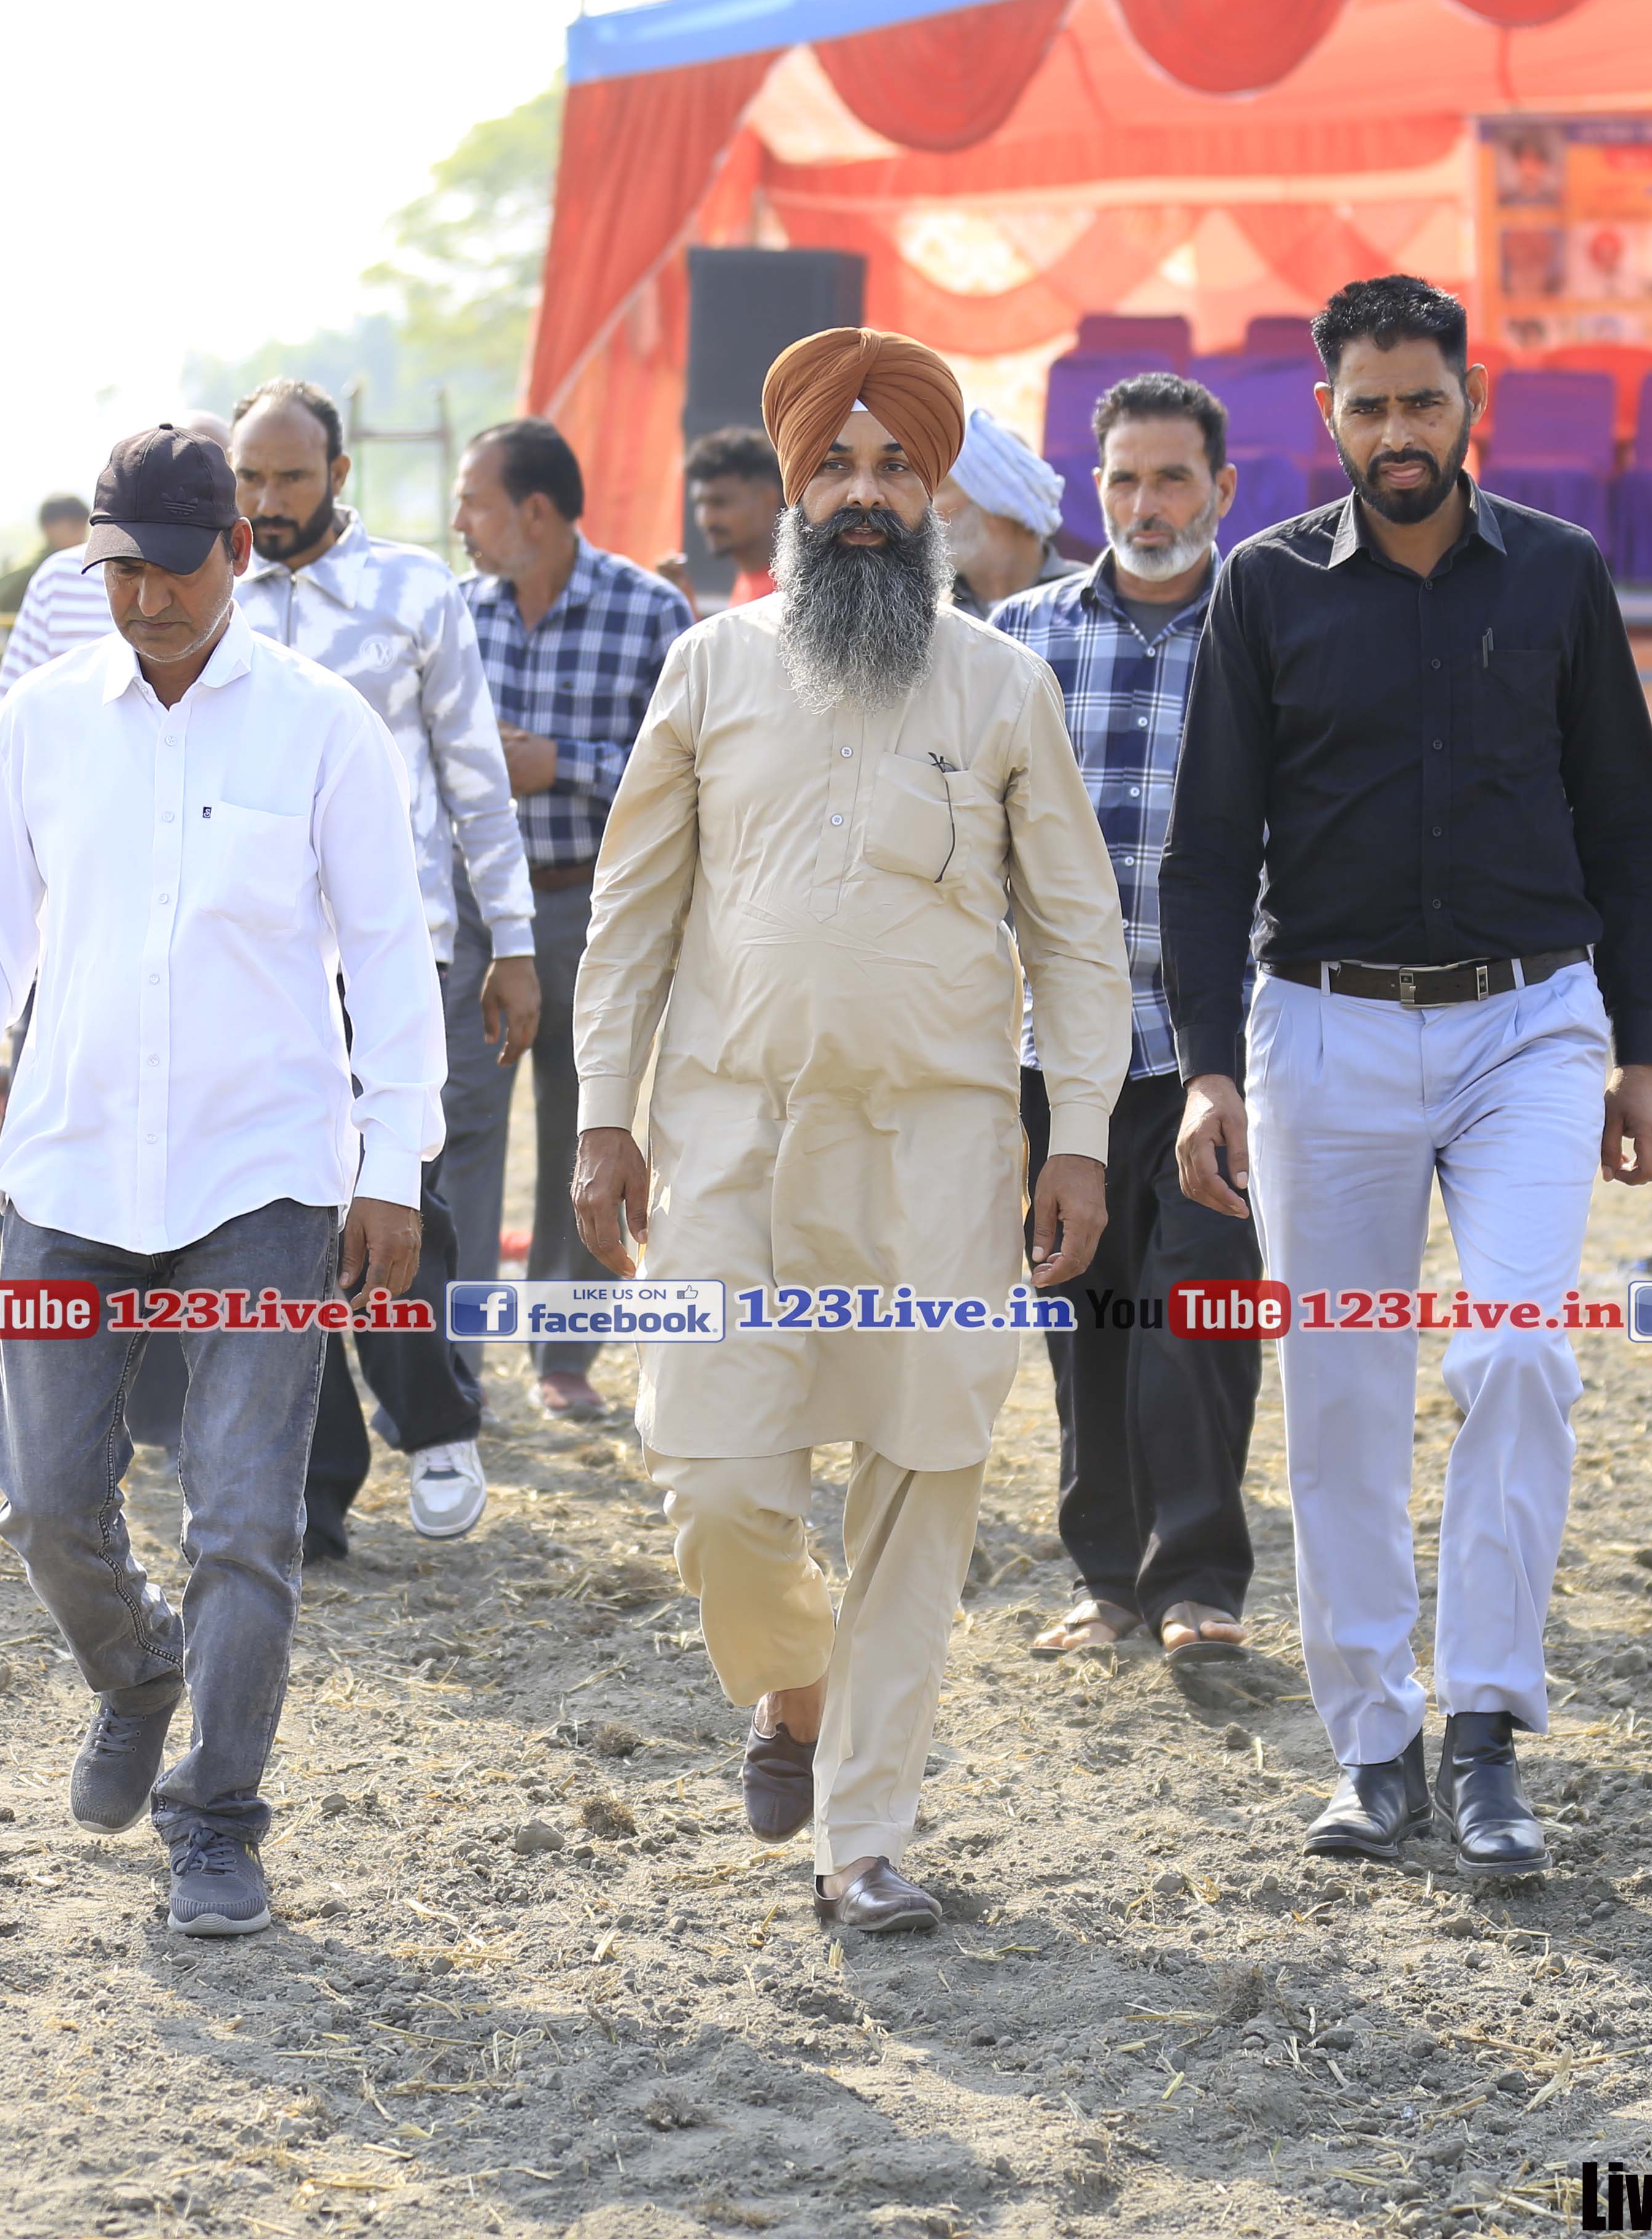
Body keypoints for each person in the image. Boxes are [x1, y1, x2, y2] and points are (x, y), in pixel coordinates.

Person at [570, 328, 1131, 1934]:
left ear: (937, 491)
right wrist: (604, 1116)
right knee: (717, 1483)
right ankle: (796, 1686)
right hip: (732, 1142)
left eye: (895, 468)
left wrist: (1080, 1137)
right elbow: (632, 915)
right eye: (836, 467)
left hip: (936, 1152)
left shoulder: (1003, 684)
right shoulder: (709, 668)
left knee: (919, 1482)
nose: (865, 496)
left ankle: (865, 1839)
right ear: (794, 491)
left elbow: (1077, 935)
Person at [1160, 274, 1652, 1880]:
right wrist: (1207, 1071)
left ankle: (1488, 1734)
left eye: (1424, 402)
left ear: (1473, 404)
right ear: (1329, 416)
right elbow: (1206, 851)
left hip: (1534, 1025)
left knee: (1520, 1352)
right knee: (1342, 1392)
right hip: (1323, 1028)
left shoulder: (1563, 575)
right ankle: (1374, 1745)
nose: (1400, 431)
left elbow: (1630, 822)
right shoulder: (1262, 591)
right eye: (1370, 406)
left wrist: (1643, 1052)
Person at [0, 422, 438, 1941]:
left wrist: (392, 1164)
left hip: (265, 1174)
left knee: (245, 1518)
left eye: (175, 570)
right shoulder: (43, 725)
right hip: (69, 1166)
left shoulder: (323, 728)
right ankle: (138, 1671)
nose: (146, 600)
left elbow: (391, 958)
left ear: (238, 555)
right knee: (43, 1499)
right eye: (120, 572)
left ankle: (217, 1819)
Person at [230, 374, 541, 1556]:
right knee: (274, 1210)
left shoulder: (415, 591)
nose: (267, 501)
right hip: (256, 960)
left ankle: (437, 1422)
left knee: (404, 1187)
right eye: (250, 480)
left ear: (339, 476)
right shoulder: (212, 594)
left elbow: (476, 778)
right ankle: (312, 1494)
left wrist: (514, 941)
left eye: (290, 478)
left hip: (400, 947)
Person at [990, 370, 1265, 1665]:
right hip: (1057, 1047)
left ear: (1223, 487)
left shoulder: (1267, 629)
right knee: (1086, 1317)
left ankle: (1199, 1581)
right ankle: (1105, 1580)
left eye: (1171, 479)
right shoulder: (1019, 640)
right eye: (1123, 480)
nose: (1146, 506)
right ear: (1091, 490)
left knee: (1200, 1311)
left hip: (1225, 1049)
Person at [448, 417, 696, 1421]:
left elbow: (691, 762)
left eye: (474, 504)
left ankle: (564, 1355)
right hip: (478, 912)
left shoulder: (651, 612)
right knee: (458, 1129)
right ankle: (452, 1361)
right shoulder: (455, 614)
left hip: (598, 906)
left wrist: (563, 766)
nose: (460, 525)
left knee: (582, 1128)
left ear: (536, 512)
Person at [0, 422, 230, 710]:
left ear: (239, 550)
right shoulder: (29, 708)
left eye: (179, 567)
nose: (150, 605)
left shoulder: (285, 701)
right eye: (125, 568)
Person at [939, 407, 1080, 613]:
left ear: (993, 503)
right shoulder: (931, 611)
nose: (923, 508)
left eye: (937, 491)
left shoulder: (1088, 600)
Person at [657, 428, 786, 612]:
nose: (706, 520)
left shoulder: (791, 591)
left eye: (719, 503)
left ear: (769, 500)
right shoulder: (750, 577)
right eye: (700, 504)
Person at [0, 494, 91, 619]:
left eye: (84, 528)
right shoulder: (32, 569)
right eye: (74, 528)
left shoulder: (82, 567)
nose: (82, 535)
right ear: (49, 528)